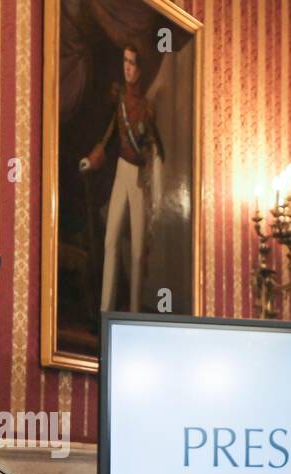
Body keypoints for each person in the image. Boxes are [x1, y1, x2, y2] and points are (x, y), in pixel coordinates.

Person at [79, 42, 165, 314]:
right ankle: (106, 310)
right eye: (125, 62)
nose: (127, 68)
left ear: (140, 69)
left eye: (133, 63)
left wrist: (155, 179)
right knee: (110, 241)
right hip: (120, 171)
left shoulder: (147, 107)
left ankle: (135, 312)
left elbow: (154, 146)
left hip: (139, 177)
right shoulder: (118, 100)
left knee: (138, 251)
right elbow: (107, 135)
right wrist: (92, 159)